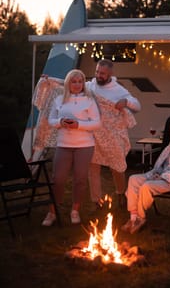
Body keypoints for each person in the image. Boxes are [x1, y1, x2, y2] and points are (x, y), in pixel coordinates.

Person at [42, 69, 101, 226]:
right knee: (58, 179)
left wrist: (78, 125)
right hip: (64, 144)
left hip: (84, 145)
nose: (77, 85)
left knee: (80, 179)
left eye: (80, 82)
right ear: (68, 83)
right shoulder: (59, 99)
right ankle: (52, 212)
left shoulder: (89, 100)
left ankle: (75, 210)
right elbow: (51, 120)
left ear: (83, 83)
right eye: (74, 81)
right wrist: (60, 122)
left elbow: (97, 123)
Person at [121, 118, 170, 234]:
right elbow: (160, 164)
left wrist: (161, 176)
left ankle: (140, 217)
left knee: (146, 186)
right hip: (161, 176)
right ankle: (133, 217)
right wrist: (156, 174)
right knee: (133, 179)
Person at [86, 59, 141, 208]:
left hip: (113, 135)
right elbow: (70, 83)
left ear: (111, 73)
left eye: (102, 73)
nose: (98, 75)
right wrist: (51, 80)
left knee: (117, 166)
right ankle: (96, 200)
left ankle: (120, 193)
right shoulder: (90, 86)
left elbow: (137, 105)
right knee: (93, 167)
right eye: (97, 72)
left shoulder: (118, 90)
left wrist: (125, 101)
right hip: (94, 134)